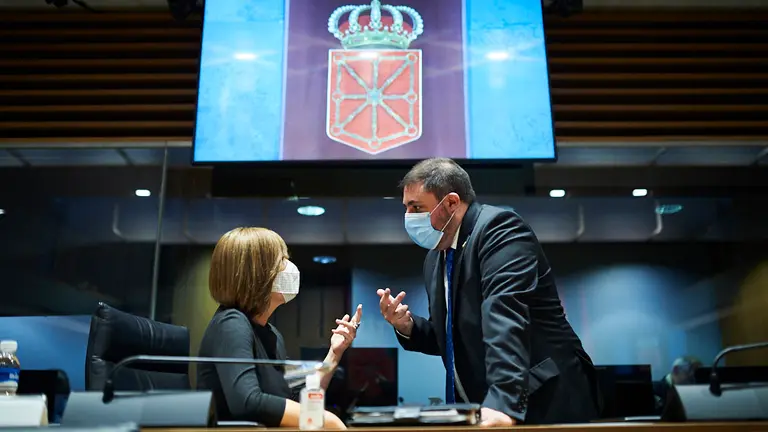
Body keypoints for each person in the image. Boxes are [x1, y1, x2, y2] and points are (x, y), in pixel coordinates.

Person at [377, 158, 601, 426]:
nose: (409, 217)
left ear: (451, 202)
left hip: (545, 399)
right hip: (483, 404)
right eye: (406, 208)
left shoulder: (500, 229)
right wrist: (408, 326)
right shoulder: (435, 258)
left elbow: (504, 316)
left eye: (417, 207)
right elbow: (450, 338)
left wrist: (503, 401)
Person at [197, 227, 362, 429]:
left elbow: (297, 401)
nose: (289, 267)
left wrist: (334, 354)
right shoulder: (231, 324)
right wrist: (327, 419)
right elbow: (247, 401)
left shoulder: (270, 333)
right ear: (257, 273)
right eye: (281, 260)